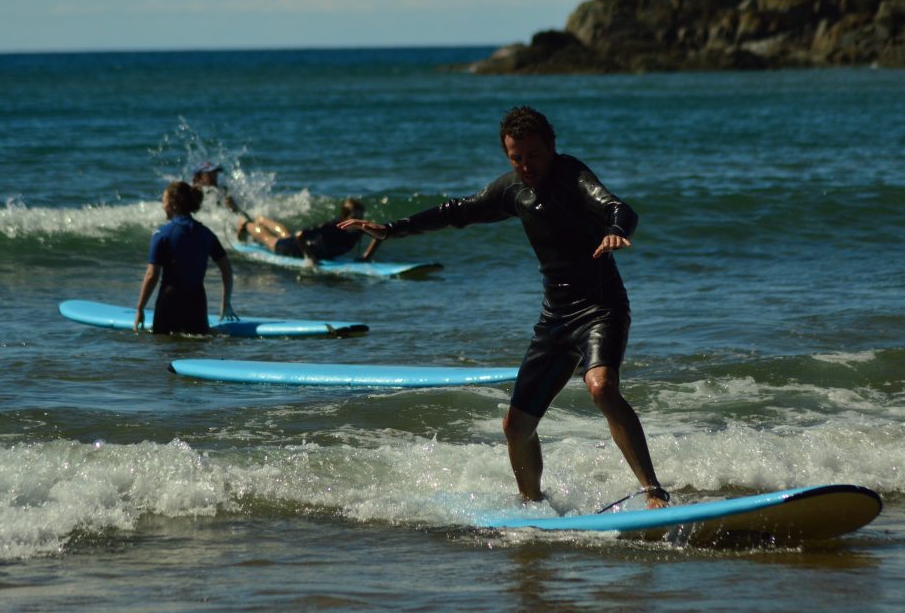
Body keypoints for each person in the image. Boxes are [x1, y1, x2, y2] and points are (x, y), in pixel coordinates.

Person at [339, 106, 669, 508]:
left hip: (600, 309)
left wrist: (616, 230)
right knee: (516, 427)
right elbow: (456, 211)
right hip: (555, 318)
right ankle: (534, 506)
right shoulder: (514, 190)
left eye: (534, 155)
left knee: (601, 388)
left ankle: (653, 490)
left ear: (551, 147)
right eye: (516, 158)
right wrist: (392, 230)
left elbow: (618, 207)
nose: (526, 165)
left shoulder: (573, 176)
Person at [135, 181, 237, 334]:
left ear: (173, 204)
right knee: (197, 350)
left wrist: (140, 309)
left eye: (164, 201)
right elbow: (227, 269)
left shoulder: (162, 233)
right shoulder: (206, 234)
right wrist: (226, 303)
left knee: (163, 350)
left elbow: (151, 275)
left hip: (169, 305)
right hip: (197, 307)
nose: (163, 206)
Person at [238, 198, 381, 265]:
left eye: (361, 217)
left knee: (286, 235)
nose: (359, 220)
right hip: (297, 248)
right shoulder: (332, 227)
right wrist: (309, 257)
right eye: (355, 217)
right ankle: (246, 224)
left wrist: (367, 256)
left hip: (307, 243)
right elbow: (300, 235)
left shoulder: (359, 228)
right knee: (271, 241)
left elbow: (379, 234)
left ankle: (262, 219)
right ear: (344, 217)